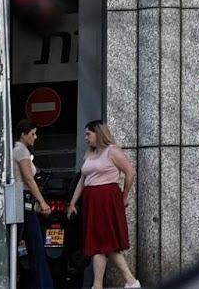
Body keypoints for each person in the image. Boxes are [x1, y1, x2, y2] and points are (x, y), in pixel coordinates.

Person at [64, 120, 139, 289]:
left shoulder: (112, 151)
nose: (85, 138)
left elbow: (130, 172)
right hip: (92, 200)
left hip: (106, 199)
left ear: (98, 133)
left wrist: (123, 196)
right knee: (99, 243)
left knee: (105, 242)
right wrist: (73, 203)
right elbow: (83, 180)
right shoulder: (90, 153)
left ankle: (129, 281)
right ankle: (101, 285)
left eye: (88, 134)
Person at [11, 119, 53, 289]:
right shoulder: (22, 151)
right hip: (23, 203)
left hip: (21, 203)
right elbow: (29, 179)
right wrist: (42, 202)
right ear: (23, 134)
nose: (35, 137)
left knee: (23, 246)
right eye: (32, 134)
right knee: (34, 248)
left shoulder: (16, 149)